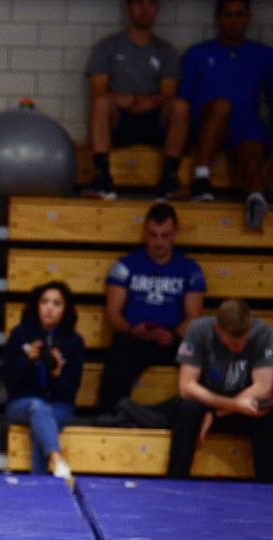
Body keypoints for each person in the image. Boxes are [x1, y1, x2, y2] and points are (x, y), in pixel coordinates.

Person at [99, 203, 206, 412]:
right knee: (117, 356)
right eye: (153, 235)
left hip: (173, 339)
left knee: (199, 356)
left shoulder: (190, 269)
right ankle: (110, 417)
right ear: (145, 232)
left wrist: (173, 335)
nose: (159, 241)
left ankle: (191, 417)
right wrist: (131, 330)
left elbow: (193, 317)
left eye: (165, 235)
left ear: (175, 232)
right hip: (134, 337)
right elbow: (112, 312)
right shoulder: (124, 265)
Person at [178, 0, 273, 229]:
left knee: (250, 160)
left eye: (239, 15)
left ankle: (256, 199)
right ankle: (201, 179)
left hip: (244, 125)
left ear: (248, 18)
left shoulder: (263, 55)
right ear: (218, 18)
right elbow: (182, 102)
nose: (233, 21)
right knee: (222, 106)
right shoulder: (197, 53)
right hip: (207, 122)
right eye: (227, 15)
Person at [82, 0, 190, 201]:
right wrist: (126, 100)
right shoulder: (108, 47)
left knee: (180, 107)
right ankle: (102, 179)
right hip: (119, 121)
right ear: (128, 8)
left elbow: (168, 95)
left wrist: (134, 99)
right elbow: (98, 92)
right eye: (138, 3)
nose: (144, 10)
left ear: (157, 9)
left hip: (153, 120)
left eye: (150, 4)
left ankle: (169, 179)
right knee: (100, 104)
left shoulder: (166, 50)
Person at [168, 300, 272, 482]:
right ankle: (176, 482)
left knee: (265, 413)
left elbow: (263, 387)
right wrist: (230, 406)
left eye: (244, 340)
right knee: (188, 410)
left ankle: (267, 486)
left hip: (236, 409)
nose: (238, 347)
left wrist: (216, 414)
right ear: (218, 329)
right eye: (232, 342)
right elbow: (186, 387)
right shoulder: (199, 329)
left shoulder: (262, 331)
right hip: (208, 405)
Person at [2, 282, 85, 480]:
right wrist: (27, 359)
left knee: (39, 424)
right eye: (45, 301)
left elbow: (71, 390)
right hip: (21, 404)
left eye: (57, 303)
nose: (50, 308)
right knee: (38, 408)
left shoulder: (74, 342)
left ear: (65, 309)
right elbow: (9, 381)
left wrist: (56, 373)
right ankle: (57, 459)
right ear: (36, 305)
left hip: (60, 407)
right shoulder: (20, 334)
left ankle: (38, 484)